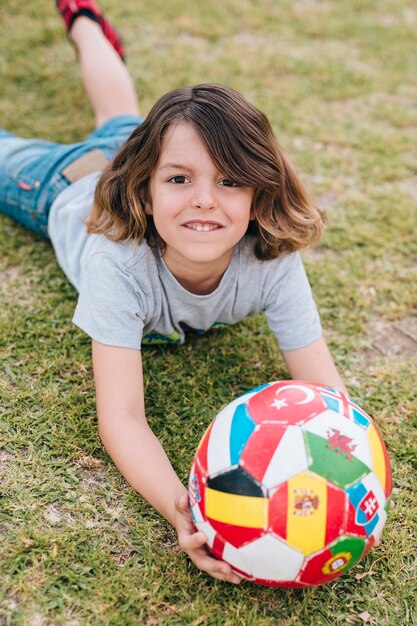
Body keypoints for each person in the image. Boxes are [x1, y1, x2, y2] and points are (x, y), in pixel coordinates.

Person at [0, 0, 346, 585]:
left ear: (260, 194)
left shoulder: (272, 259)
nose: (205, 200)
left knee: (120, 117)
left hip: (132, 153)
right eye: (180, 180)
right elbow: (123, 418)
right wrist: (181, 508)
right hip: (66, 185)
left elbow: (325, 390)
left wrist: (355, 467)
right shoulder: (119, 262)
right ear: (148, 188)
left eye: (230, 180)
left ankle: (83, 17)